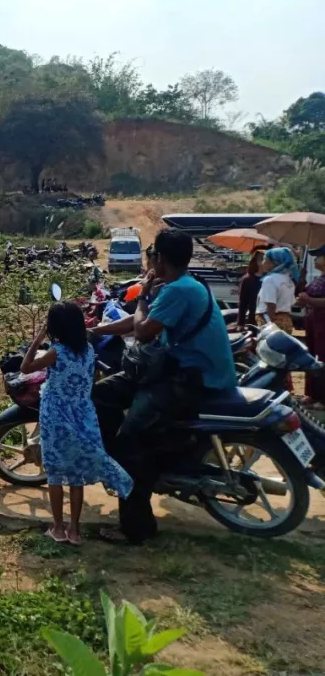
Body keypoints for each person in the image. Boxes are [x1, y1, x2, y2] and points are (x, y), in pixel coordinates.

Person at [90, 228, 237, 544]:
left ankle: (136, 527)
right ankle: (113, 460)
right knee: (101, 393)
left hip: (190, 378)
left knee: (131, 443)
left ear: (161, 259)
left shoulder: (178, 290)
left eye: (153, 254)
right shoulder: (184, 284)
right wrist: (95, 331)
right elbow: (138, 322)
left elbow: (143, 331)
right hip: (174, 369)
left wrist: (143, 295)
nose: (151, 260)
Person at [21, 302, 133, 545]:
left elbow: (25, 367)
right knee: (75, 475)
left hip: (56, 416)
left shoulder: (56, 352)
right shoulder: (89, 350)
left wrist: (38, 338)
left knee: (54, 473)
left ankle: (58, 528)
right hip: (83, 415)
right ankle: (75, 531)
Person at [297, 246, 325, 405]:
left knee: (323, 358)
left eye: (319, 256)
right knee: (311, 357)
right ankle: (312, 394)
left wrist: (309, 300)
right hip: (312, 322)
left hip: (322, 324)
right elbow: (304, 296)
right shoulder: (319, 278)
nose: (315, 259)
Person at [257, 247, 298, 334]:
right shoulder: (289, 279)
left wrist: (271, 324)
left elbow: (271, 305)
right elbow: (291, 303)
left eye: (265, 260)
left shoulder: (269, 279)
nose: (262, 263)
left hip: (270, 321)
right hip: (286, 320)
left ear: (275, 263)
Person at [236, 253, 262, 328]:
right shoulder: (247, 279)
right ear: (257, 261)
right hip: (253, 320)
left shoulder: (270, 278)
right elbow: (242, 303)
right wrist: (240, 323)